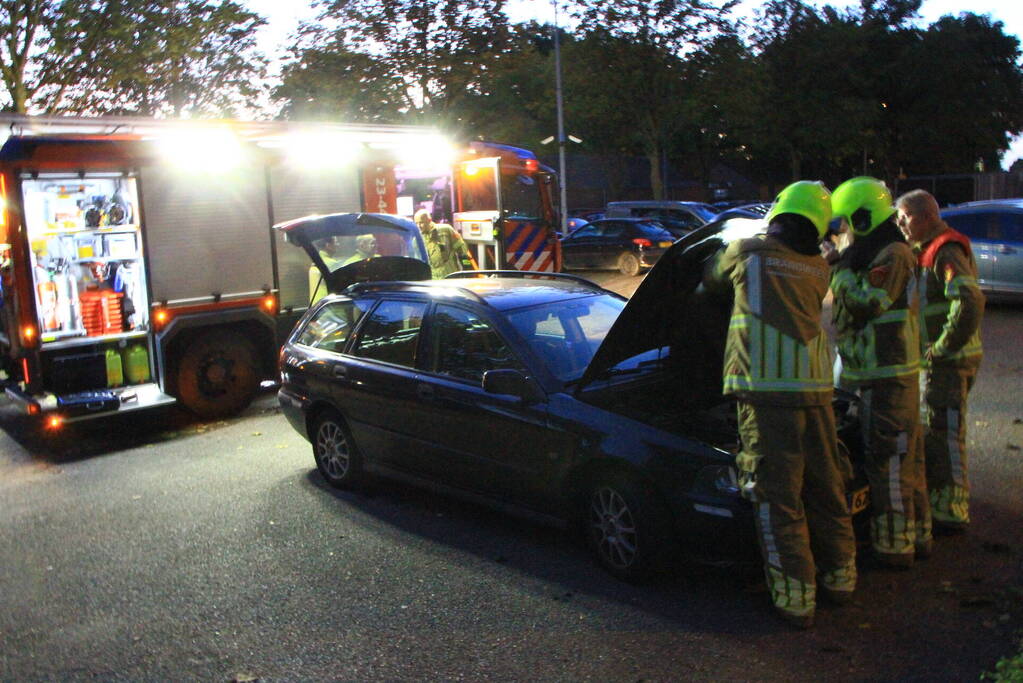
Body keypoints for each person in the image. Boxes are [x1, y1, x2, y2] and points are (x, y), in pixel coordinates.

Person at [703, 180, 857, 628]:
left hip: (766, 393)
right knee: (827, 487)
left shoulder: (749, 252)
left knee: (777, 497)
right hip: (815, 390)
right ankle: (841, 578)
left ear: (779, 214)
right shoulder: (817, 266)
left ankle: (796, 598)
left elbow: (710, 277)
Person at [830, 177, 930, 567]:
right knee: (904, 460)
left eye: (848, 222)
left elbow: (870, 303)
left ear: (863, 217)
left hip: (887, 377)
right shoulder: (875, 251)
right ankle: (915, 537)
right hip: (880, 374)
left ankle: (894, 548)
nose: (845, 231)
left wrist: (839, 274)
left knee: (889, 463)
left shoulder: (892, 253)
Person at [895, 189, 984, 533]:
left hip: (949, 360)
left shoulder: (944, 249)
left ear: (925, 216)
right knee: (938, 431)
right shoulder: (926, 250)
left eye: (905, 217)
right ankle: (943, 500)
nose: (901, 225)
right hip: (946, 358)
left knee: (945, 434)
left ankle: (951, 511)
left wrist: (943, 347)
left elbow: (969, 300)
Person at [414, 208, 471, 278]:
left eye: (421, 222)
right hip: (432, 281)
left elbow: (462, 251)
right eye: (416, 223)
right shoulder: (417, 239)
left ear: (429, 220)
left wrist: (468, 269)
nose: (418, 226)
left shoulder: (445, 230)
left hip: (450, 278)